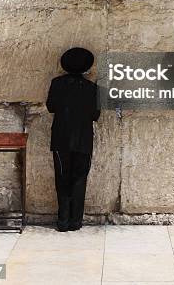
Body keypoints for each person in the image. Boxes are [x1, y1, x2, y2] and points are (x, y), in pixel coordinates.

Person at [46, 47, 100, 232]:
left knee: (62, 177)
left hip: (61, 138)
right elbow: (95, 114)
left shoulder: (56, 83)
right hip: (83, 139)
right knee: (79, 178)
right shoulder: (92, 88)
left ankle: (62, 221)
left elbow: (51, 107)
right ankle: (76, 221)